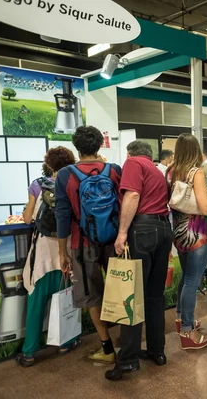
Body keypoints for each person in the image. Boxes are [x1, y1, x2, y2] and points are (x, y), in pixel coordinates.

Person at [106, 141, 174, 381]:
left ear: (130, 153)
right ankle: (157, 351)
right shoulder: (157, 170)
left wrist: (122, 232)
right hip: (164, 229)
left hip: (142, 230)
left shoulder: (133, 163)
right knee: (155, 296)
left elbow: (133, 194)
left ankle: (127, 360)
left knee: (131, 297)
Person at [55, 126, 121, 364]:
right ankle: (127, 342)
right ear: (99, 145)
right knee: (121, 291)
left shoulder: (65, 175)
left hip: (82, 243)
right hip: (115, 241)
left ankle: (107, 348)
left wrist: (62, 252)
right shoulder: (113, 171)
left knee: (91, 295)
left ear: (77, 147)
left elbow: (62, 216)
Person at [16, 147, 76, 367]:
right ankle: (65, 343)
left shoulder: (37, 185)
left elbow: (27, 218)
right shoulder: (73, 183)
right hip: (66, 248)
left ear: (49, 164)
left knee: (36, 304)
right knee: (66, 299)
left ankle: (30, 352)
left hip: (41, 253)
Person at [167, 134, 207, 350]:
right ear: (196, 151)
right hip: (197, 234)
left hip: (179, 233)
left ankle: (181, 320)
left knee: (185, 279)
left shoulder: (170, 171)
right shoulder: (196, 173)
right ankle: (187, 331)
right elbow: (205, 207)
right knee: (191, 281)